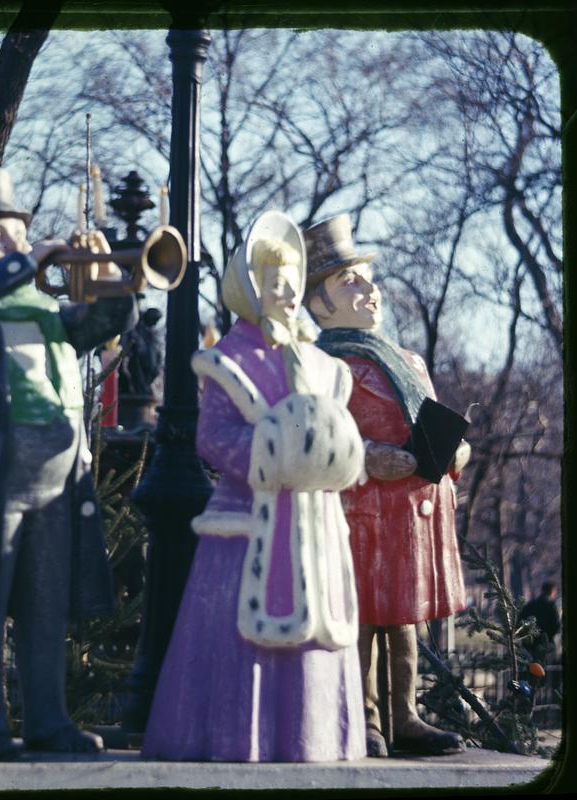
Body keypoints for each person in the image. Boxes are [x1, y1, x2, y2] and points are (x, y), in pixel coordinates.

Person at [0, 166, 137, 760]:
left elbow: (108, 321)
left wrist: (114, 276)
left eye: (16, 231)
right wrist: (26, 259)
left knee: (46, 609)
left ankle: (48, 721)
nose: (12, 243)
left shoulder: (49, 314)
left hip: (59, 485)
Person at [141, 211, 367, 762]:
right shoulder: (227, 362)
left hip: (314, 528)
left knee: (317, 636)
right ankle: (234, 737)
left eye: (293, 280)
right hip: (246, 525)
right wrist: (274, 456)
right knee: (236, 639)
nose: (288, 292)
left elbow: (335, 436)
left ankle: (312, 736)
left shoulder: (324, 365)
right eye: (275, 281)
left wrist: (336, 460)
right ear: (251, 288)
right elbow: (213, 436)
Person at [302, 214, 470, 757]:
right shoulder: (324, 362)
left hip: (413, 513)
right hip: (361, 509)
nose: (368, 289)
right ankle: (364, 719)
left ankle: (406, 717)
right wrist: (368, 455)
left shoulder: (408, 360)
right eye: (348, 281)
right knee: (364, 616)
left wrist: (455, 451)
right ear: (319, 303)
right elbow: (319, 433)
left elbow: (429, 418)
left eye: (366, 279)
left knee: (403, 619)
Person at [521, 581, 560, 661]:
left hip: (530, 645)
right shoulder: (550, 606)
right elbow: (556, 625)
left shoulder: (531, 605)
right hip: (546, 645)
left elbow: (521, 621)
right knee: (547, 669)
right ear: (552, 591)